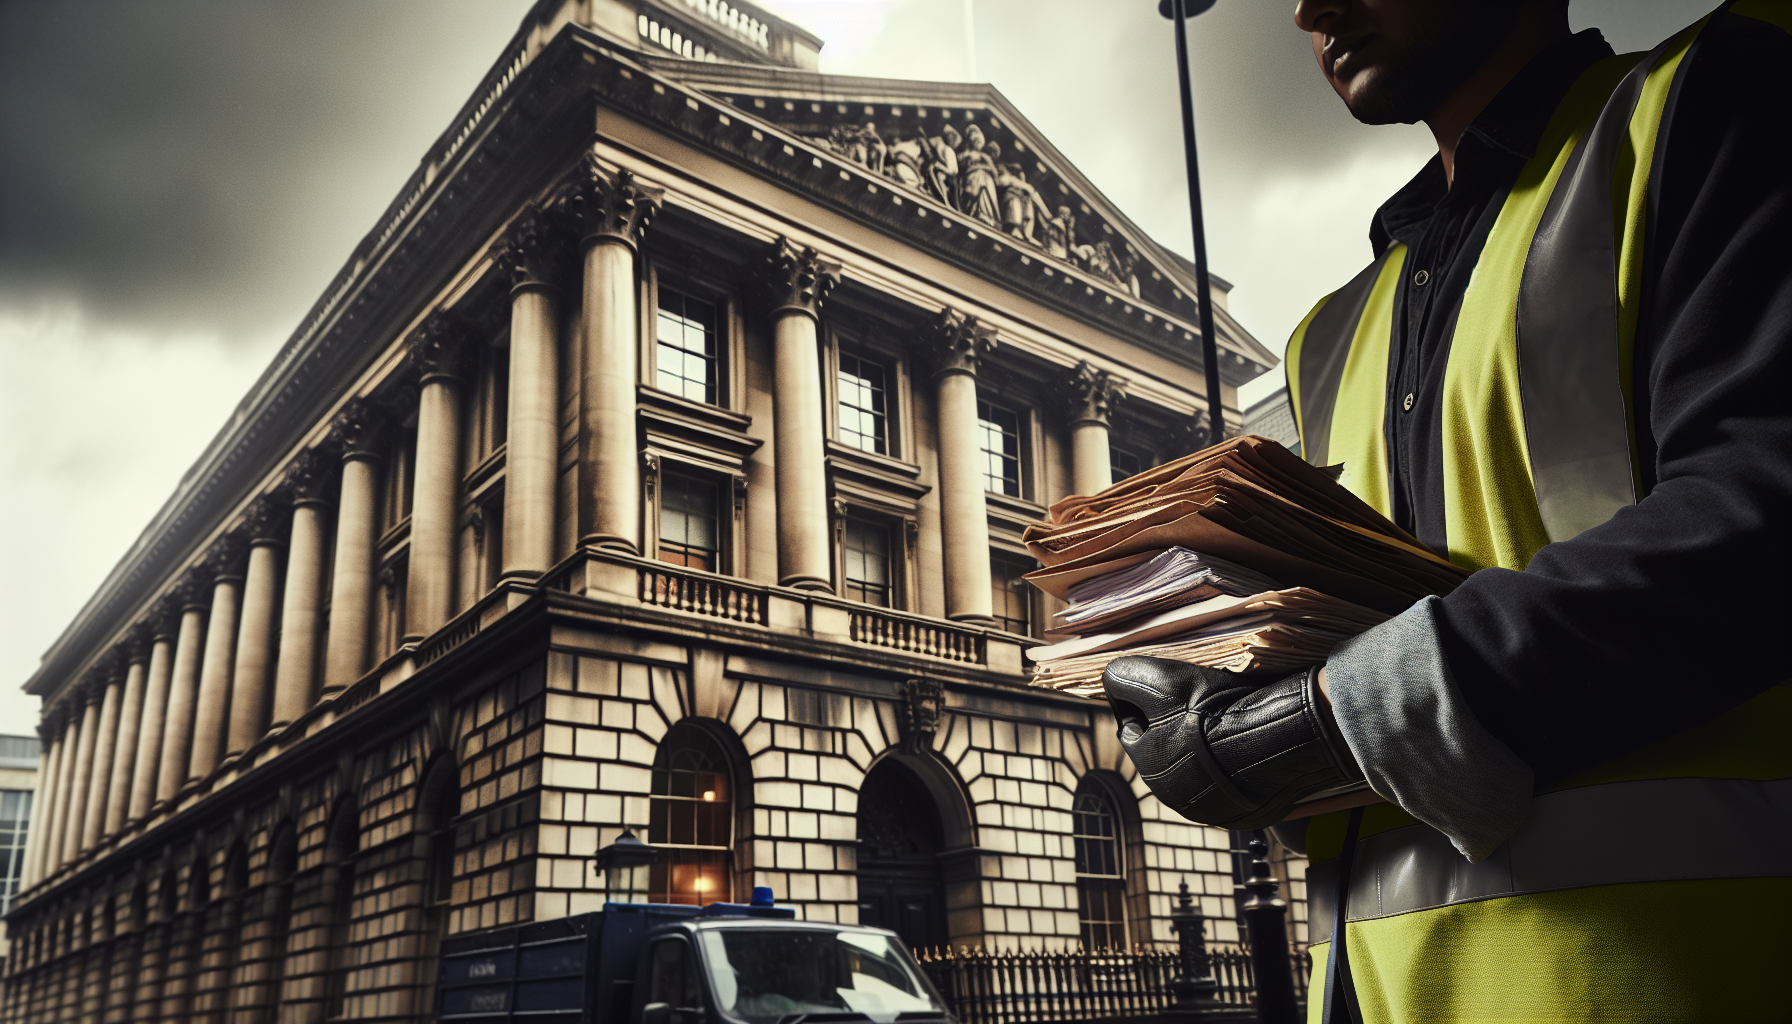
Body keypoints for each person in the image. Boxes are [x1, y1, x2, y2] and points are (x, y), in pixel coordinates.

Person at [1103, 1, 1792, 1020]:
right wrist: (1254, 730)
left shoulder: (1707, 99)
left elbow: (1760, 512)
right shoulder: (1328, 334)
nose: (1307, 9)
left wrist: (1326, 720)